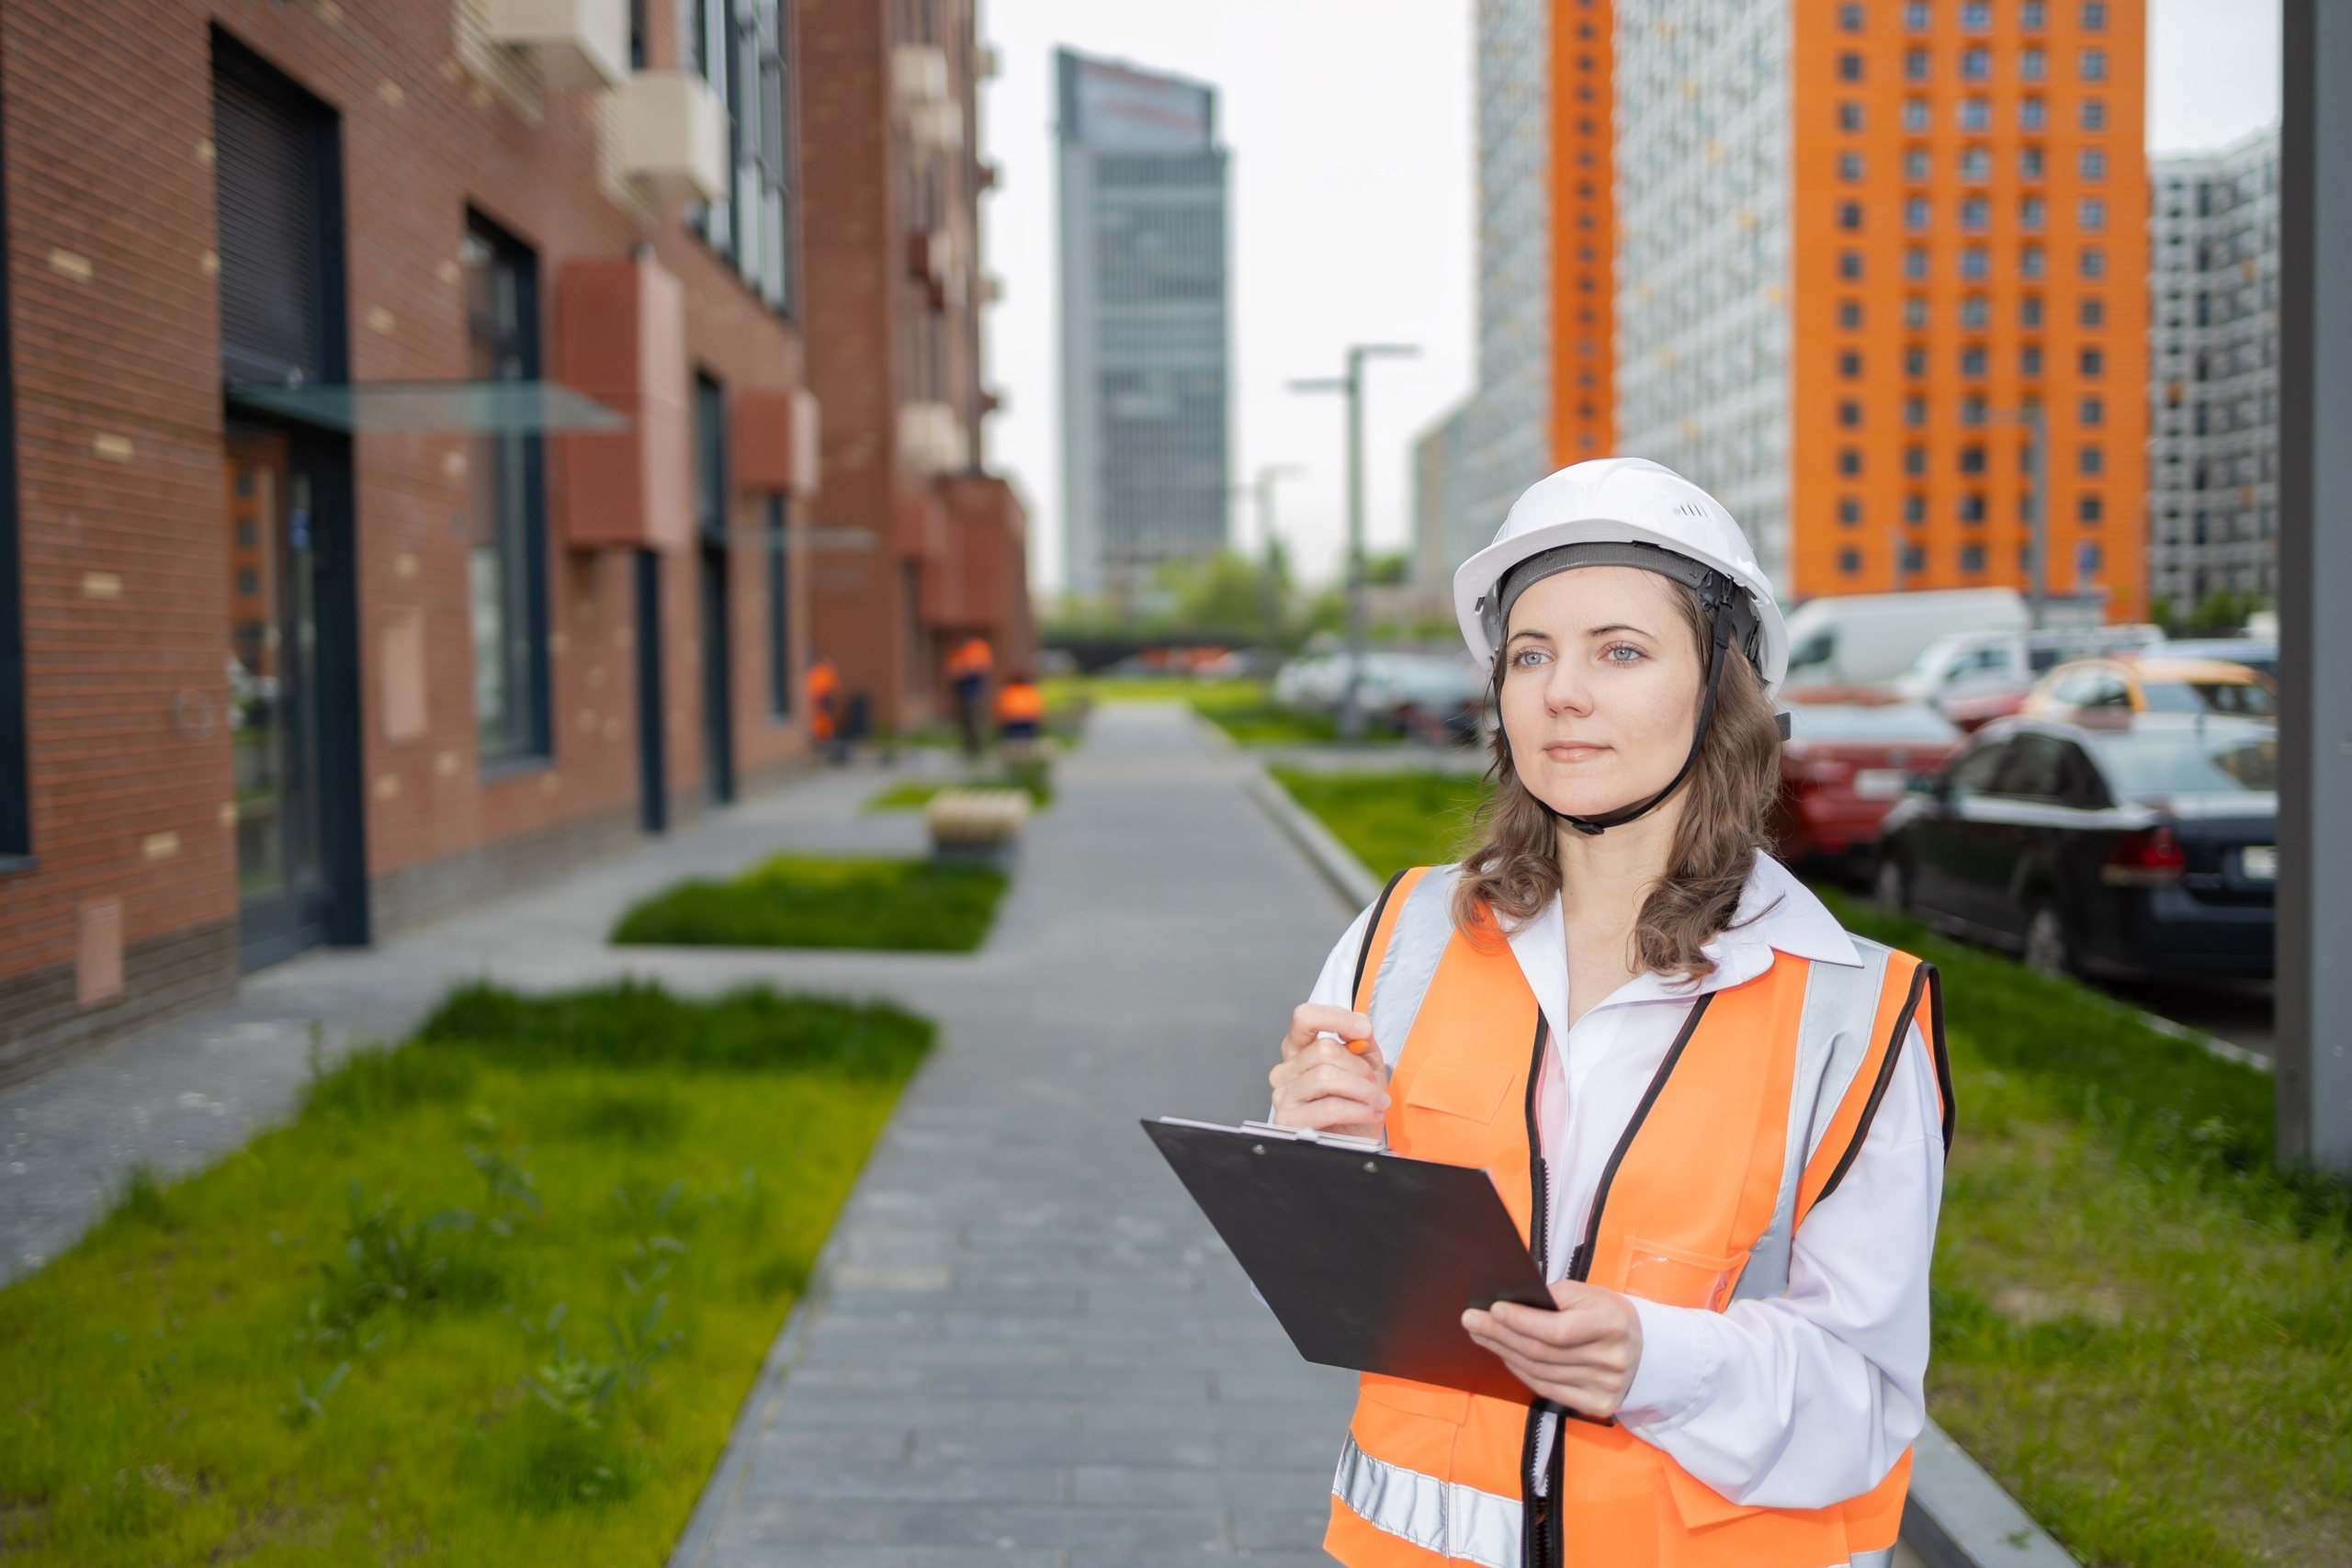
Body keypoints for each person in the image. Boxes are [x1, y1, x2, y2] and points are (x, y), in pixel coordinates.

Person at [1269, 458, 1952, 1568]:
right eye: (1529, 654)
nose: (1560, 693)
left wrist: (1655, 1361)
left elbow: (1863, 1400)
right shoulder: (1402, 935)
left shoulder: (1848, 1008)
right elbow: (1343, 1271)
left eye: (1619, 652)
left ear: (1719, 687)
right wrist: (1309, 1150)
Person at [945, 634, 994, 757]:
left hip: (972, 689)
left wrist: (964, 671)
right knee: (965, 720)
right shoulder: (960, 653)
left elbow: (976, 669)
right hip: (963, 689)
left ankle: (977, 747)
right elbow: (953, 671)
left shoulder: (976, 650)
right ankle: (971, 747)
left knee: (973, 718)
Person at [804, 653, 843, 763]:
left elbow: (830, 686)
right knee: (821, 720)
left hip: (823, 699)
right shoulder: (819, 670)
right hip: (819, 700)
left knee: (824, 720)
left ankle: (825, 741)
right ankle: (822, 741)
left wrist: (825, 698)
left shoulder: (823, 669)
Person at [995, 670, 1045, 742]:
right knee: (1028, 739)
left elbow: (1001, 709)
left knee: (1012, 740)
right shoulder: (1029, 690)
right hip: (1027, 720)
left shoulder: (1007, 690)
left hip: (1012, 721)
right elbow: (1037, 707)